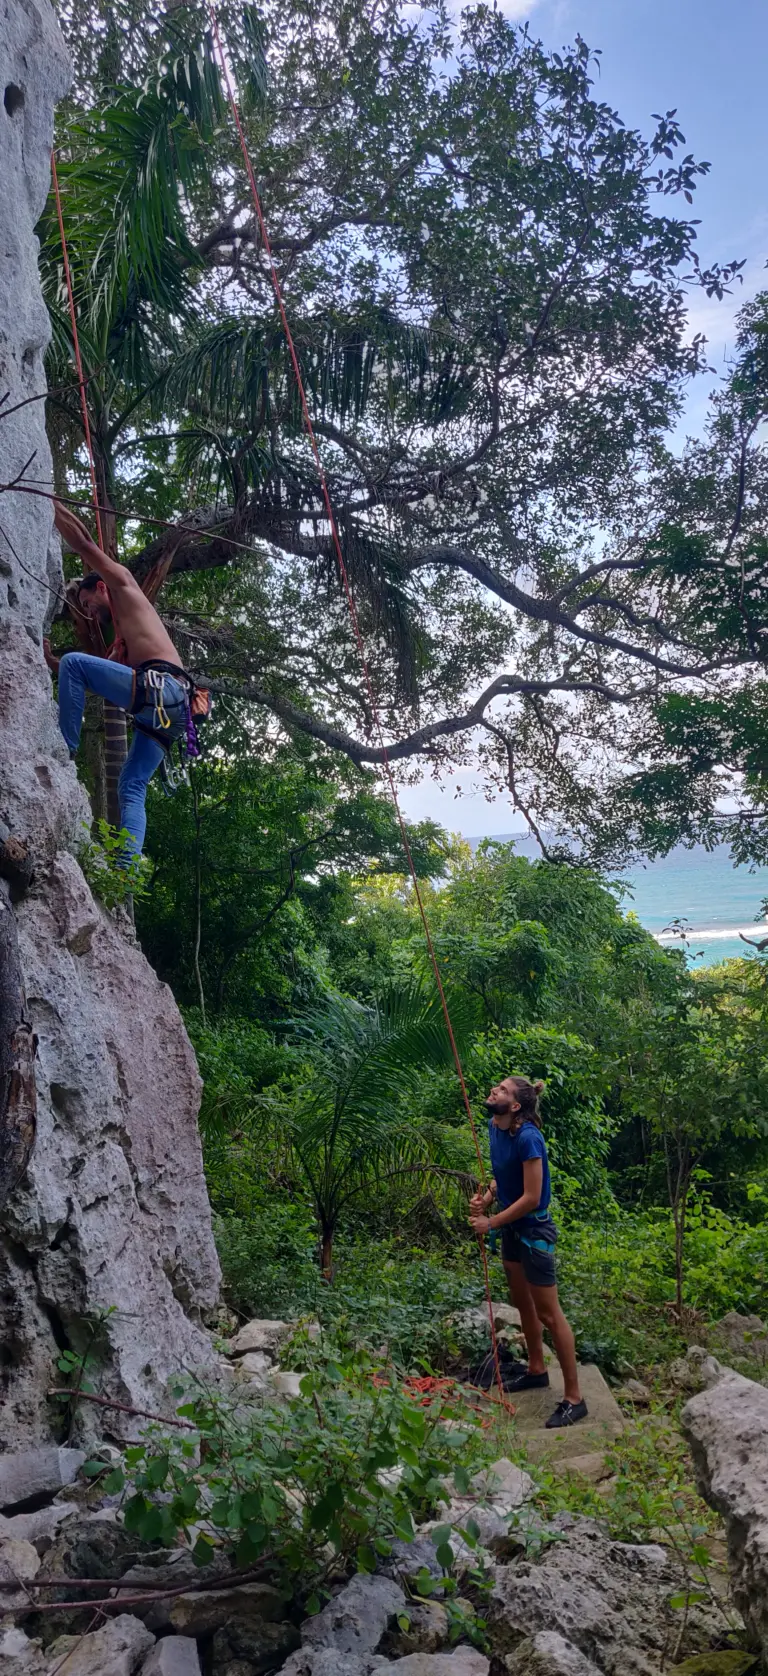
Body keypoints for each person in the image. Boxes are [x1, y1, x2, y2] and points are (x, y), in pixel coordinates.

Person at [43, 500, 201, 862]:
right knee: (131, 785)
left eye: (88, 603)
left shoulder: (123, 584)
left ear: (100, 588)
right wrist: (53, 662)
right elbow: (92, 674)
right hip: (172, 711)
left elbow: (83, 543)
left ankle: (64, 749)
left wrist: (47, 500)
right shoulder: (126, 641)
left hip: (164, 691)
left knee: (74, 663)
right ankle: (126, 873)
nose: (91, 614)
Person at [468, 1075, 588, 1428]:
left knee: (550, 1314)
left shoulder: (528, 1137)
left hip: (533, 1229)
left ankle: (574, 1398)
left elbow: (532, 1197)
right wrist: (487, 1199)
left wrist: (491, 1222)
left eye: (502, 1090)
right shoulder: (495, 1126)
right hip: (512, 1227)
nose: (493, 1089)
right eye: (496, 1087)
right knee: (522, 1303)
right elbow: (501, 1177)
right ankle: (536, 1369)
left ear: (516, 1105)